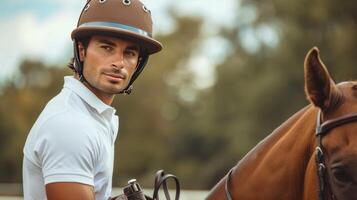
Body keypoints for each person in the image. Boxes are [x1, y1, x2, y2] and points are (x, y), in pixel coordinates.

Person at [22, 0, 162, 199]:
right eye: (107, 48)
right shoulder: (69, 124)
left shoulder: (93, 117)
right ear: (82, 50)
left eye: (129, 53)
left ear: (138, 62)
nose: (119, 63)